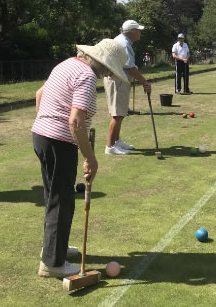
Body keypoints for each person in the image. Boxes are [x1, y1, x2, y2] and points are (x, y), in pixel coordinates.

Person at [32, 39, 128, 278]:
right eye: (109, 68)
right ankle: (52, 264)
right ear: (102, 62)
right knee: (62, 200)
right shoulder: (86, 75)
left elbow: (40, 94)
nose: (108, 73)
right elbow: (75, 121)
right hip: (58, 142)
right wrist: (90, 157)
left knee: (53, 196)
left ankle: (54, 249)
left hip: (42, 136)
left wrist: (46, 122)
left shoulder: (66, 64)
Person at [104, 20, 152, 155]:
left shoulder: (122, 40)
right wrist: (144, 81)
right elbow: (130, 67)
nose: (140, 33)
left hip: (118, 79)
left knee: (121, 112)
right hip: (118, 80)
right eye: (138, 30)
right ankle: (110, 146)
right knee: (117, 114)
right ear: (131, 32)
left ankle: (116, 141)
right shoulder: (124, 44)